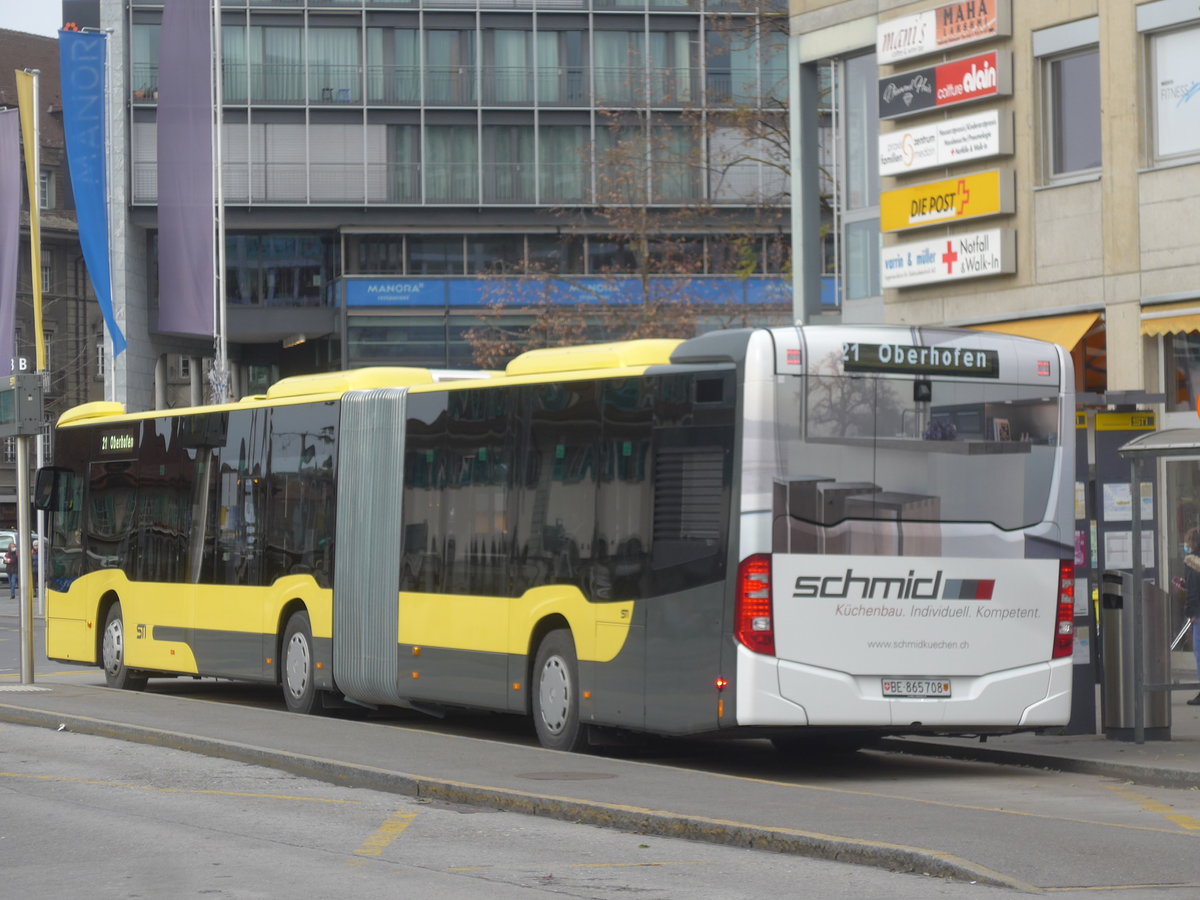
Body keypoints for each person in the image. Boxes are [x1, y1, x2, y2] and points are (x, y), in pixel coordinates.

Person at [1184, 527, 1200, 705]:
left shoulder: (1191, 561)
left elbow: (1194, 589)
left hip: (1199, 612)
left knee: (1199, 652)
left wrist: (1192, 613)